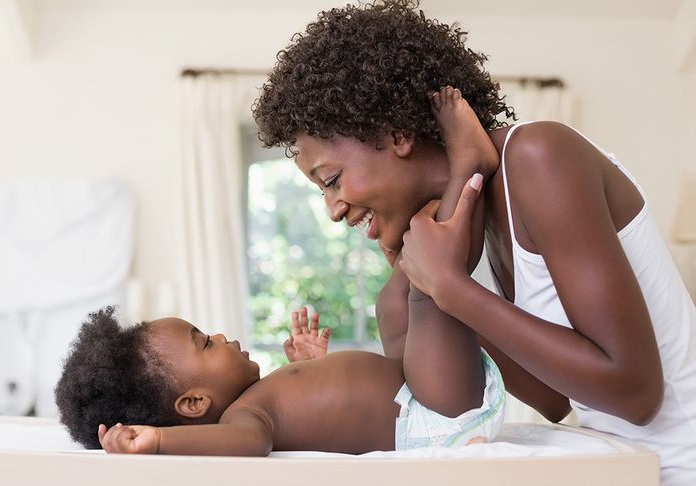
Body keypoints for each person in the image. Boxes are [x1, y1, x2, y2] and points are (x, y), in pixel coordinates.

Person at [251, 1, 696, 484]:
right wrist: (438, 285)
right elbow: (553, 401)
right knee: (396, 304)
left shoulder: (539, 156)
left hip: (678, 465)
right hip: (623, 463)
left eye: (332, 179)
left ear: (397, 133)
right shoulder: (482, 216)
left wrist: (452, 289)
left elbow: (636, 394)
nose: (334, 210)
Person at [55, 301, 504, 454]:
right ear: (194, 404)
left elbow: (327, 406)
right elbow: (253, 445)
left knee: (392, 302)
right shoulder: (245, 419)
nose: (219, 334)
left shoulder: (262, 394)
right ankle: (461, 181)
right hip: (436, 418)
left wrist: (308, 364)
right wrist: (156, 441)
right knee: (426, 291)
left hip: (421, 390)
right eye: (205, 343)